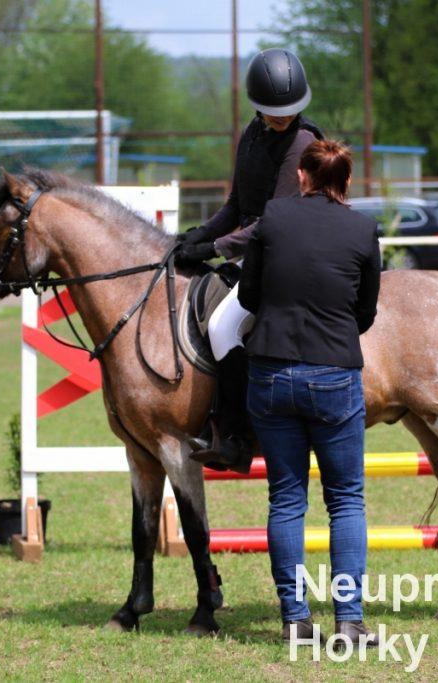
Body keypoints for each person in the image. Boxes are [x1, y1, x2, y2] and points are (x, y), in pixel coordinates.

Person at [237, 139, 382, 645]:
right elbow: (366, 311)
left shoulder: (274, 217)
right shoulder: (363, 229)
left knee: (285, 499)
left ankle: (296, 620)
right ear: (346, 181)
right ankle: (349, 621)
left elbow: (248, 295)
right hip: (334, 373)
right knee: (346, 500)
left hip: (271, 371)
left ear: (302, 176)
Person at [178, 48, 323, 473]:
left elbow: (271, 220)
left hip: (286, 252)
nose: (282, 117)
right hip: (255, 249)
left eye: (289, 110)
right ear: (257, 107)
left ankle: (238, 436)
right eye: (274, 112)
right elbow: (237, 205)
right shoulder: (252, 134)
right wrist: (199, 233)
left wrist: (215, 247)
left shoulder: (302, 142)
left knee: (224, 326)